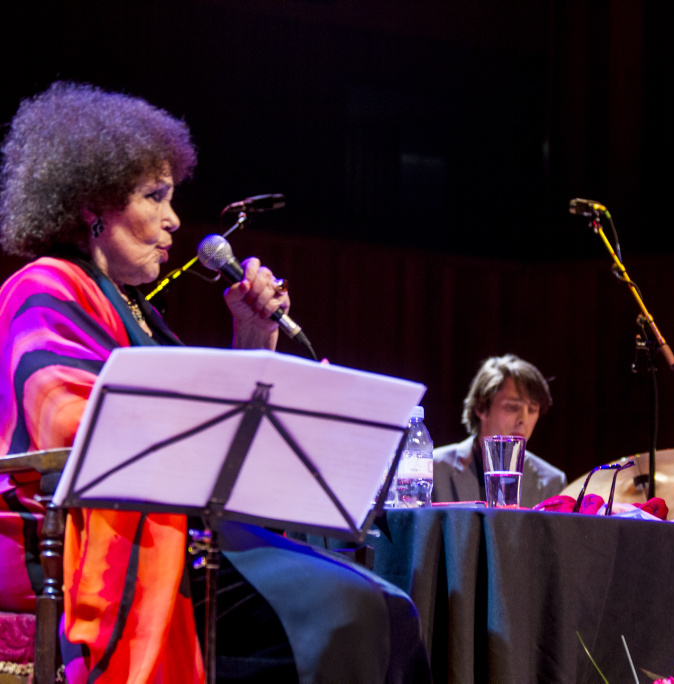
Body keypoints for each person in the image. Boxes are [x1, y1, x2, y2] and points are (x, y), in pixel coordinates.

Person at [0, 82, 428, 683]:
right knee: (353, 613)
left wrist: (252, 338)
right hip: (105, 542)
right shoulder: (43, 286)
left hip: (182, 532)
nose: (175, 219)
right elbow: (78, 428)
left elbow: (214, 433)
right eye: (155, 196)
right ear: (92, 203)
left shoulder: (136, 310)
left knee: (388, 608)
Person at [432, 354, 566, 508]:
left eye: (532, 409)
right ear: (481, 407)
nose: (524, 419)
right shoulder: (434, 468)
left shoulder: (552, 482)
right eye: (512, 407)